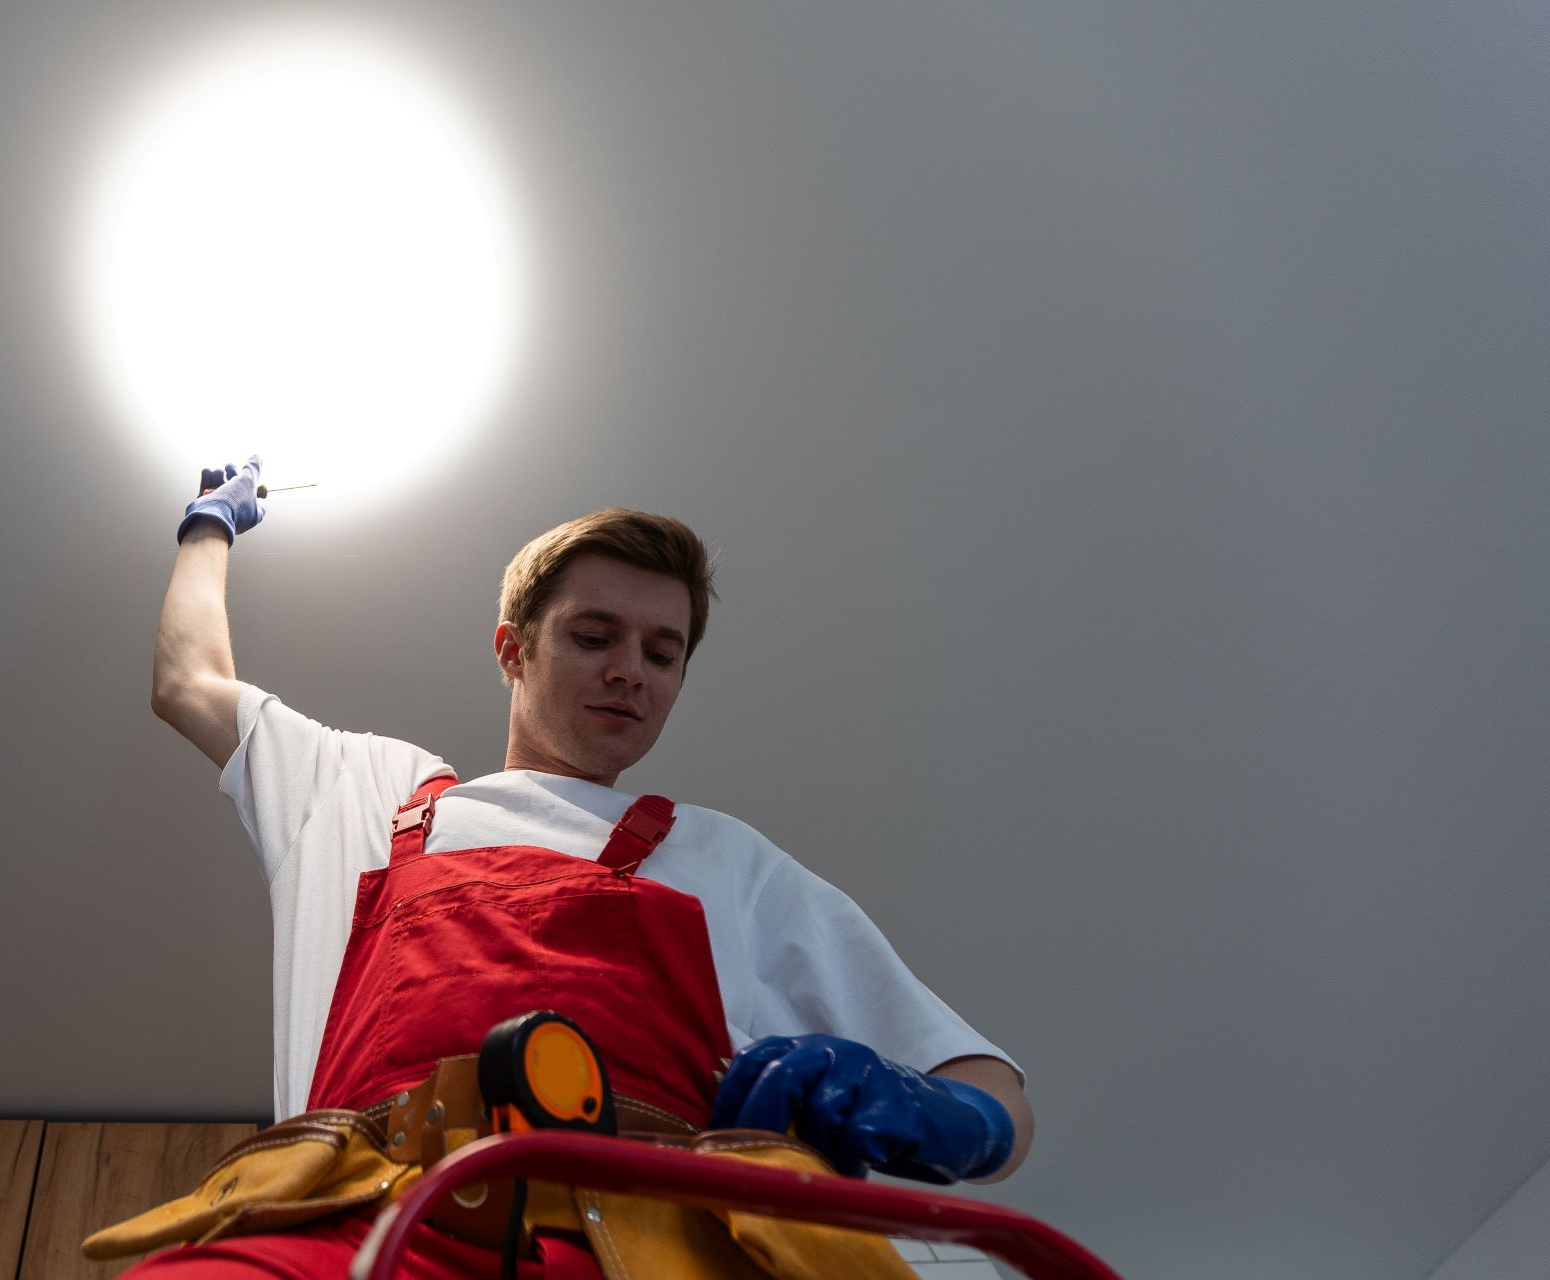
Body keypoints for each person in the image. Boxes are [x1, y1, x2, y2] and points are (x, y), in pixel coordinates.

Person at [99, 457, 1032, 1278]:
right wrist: (207, 528)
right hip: (368, 1227)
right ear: (513, 649)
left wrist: (918, 1106)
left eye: (661, 653)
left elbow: (999, 1102)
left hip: (654, 1249)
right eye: (595, 637)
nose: (632, 669)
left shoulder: (726, 861)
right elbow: (188, 683)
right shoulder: (368, 797)